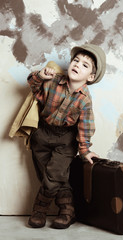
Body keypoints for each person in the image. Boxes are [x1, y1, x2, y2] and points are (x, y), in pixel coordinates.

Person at [27, 43, 106, 229]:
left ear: (91, 77)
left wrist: (85, 150)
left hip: (66, 140)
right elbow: (33, 87)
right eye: (76, 60)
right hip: (43, 133)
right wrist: (40, 76)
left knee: (54, 175)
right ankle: (67, 211)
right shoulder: (53, 81)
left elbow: (85, 126)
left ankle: (40, 208)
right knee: (49, 174)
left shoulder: (84, 99)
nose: (78, 65)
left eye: (85, 65)